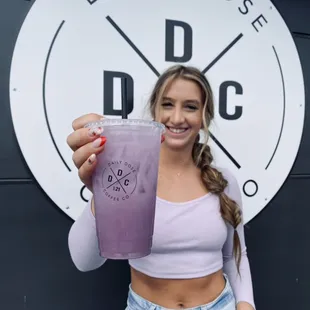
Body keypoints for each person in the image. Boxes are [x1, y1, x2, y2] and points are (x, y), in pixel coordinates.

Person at [66, 65, 256, 310]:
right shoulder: (131, 179)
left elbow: (234, 257)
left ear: (204, 117)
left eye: (190, 106)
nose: (177, 118)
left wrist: (246, 304)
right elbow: (84, 261)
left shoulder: (224, 181)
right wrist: (103, 193)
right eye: (167, 104)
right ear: (154, 111)